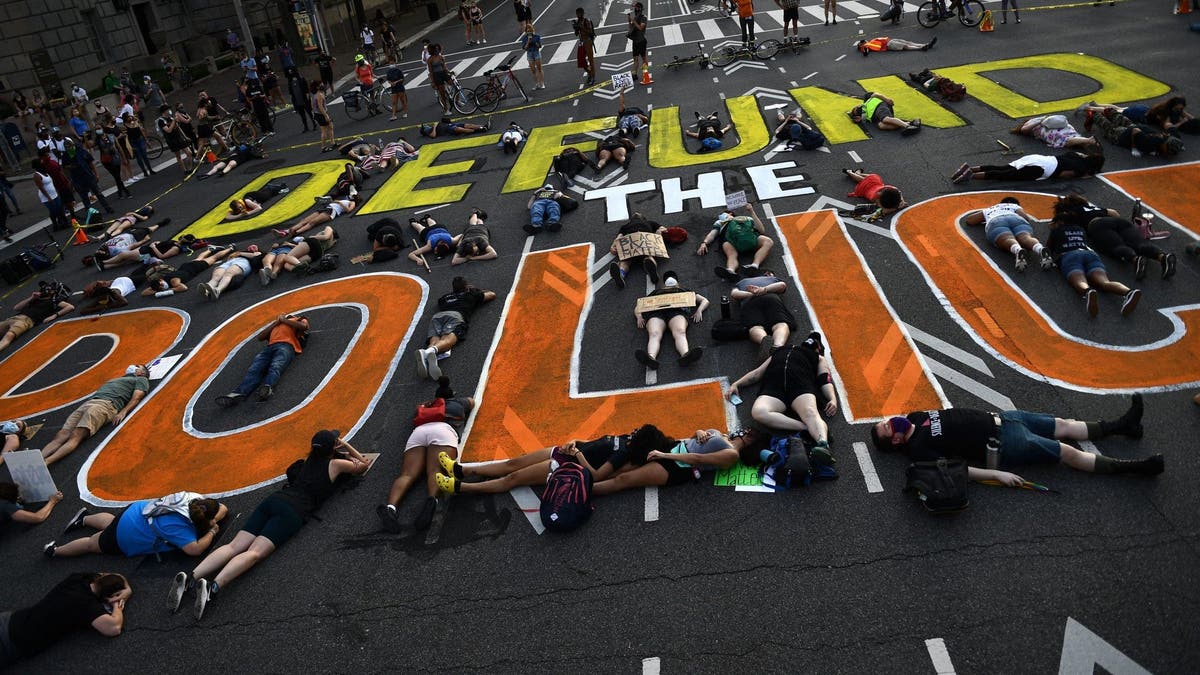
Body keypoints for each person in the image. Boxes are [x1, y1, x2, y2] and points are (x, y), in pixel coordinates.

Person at [171, 431, 370, 620]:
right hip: (293, 511)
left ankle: (192, 577)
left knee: (234, 546)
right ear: (333, 447)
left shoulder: (308, 461)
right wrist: (345, 445)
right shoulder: (335, 464)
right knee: (255, 552)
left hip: (274, 500)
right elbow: (363, 464)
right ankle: (213, 588)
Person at [870, 395, 1163, 480]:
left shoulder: (915, 418)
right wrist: (998, 476)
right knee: (1066, 452)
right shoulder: (918, 450)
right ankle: (1133, 467)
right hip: (1006, 443)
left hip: (1006, 417)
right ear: (895, 442)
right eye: (887, 427)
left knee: (1062, 423)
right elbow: (959, 469)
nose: (890, 421)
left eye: (884, 421)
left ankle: (1121, 426)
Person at [378, 383, 475, 532]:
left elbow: (416, 412)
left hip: (419, 432)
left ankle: (391, 508)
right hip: (443, 430)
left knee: (407, 474)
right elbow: (472, 402)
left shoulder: (424, 407)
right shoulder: (456, 403)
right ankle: (432, 500)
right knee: (435, 470)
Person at [727, 333, 837, 463]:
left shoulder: (818, 358)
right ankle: (807, 428)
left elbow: (825, 379)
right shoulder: (780, 351)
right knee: (759, 412)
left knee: (810, 412)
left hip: (800, 386)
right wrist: (737, 384)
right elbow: (758, 373)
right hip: (774, 387)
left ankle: (823, 445)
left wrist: (832, 398)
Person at [437, 429, 639, 496]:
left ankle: (461, 488)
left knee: (512, 478)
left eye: (638, 432)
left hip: (564, 466)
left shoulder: (623, 455)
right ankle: (462, 470)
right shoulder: (624, 438)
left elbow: (596, 476)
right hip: (563, 452)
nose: (634, 430)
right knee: (513, 463)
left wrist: (577, 454)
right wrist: (575, 442)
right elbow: (593, 443)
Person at [0, 572, 130, 666]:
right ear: (107, 597)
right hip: (12, 642)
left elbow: (112, 574)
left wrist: (126, 589)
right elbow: (114, 628)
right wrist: (117, 603)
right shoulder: (86, 606)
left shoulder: (78, 579)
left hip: (10, 619)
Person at [589, 426, 764, 495]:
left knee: (624, 479)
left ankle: (583, 490)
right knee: (622, 468)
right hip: (674, 447)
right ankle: (586, 478)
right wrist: (699, 431)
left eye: (748, 431)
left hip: (678, 466)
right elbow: (692, 440)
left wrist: (664, 456)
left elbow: (698, 458)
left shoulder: (732, 454)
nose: (743, 430)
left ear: (750, 440)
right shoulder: (724, 436)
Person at [43, 494, 227, 559]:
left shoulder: (193, 498)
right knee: (93, 543)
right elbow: (194, 550)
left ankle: (84, 519)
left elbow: (223, 509)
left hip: (136, 512)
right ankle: (55, 551)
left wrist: (212, 519)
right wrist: (211, 531)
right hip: (126, 535)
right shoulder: (180, 529)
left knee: (111, 523)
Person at [1046, 200, 1141, 317]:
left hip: (1070, 256)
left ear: (1059, 222)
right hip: (1090, 254)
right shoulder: (1080, 229)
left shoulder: (1057, 230)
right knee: (1105, 282)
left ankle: (1088, 291)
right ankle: (1128, 292)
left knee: (1079, 280)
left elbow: (1048, 249)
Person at [40, 365, 149, 467]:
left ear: (141, 373)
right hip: (89, 403)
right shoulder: (119, 379)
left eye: (137, 366)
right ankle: (38, 460)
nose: (133, 366)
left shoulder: (141, 380)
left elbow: (137, 397)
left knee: (76, 435)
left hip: (106, 405)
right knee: (62, 434)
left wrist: (123, 412)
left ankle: (47, 462)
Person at [1055, 193, 1176, 281]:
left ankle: (1135, 259)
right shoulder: (1093, 208)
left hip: (1097, 225)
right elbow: (1114, 213)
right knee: (1140, 244)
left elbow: (1062, 226)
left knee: (1117, 246)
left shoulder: (1071, 213)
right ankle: (1163, 257)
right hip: (1119, 222)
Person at [216, 314, 309, 405]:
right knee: (254, 369)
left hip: (287, 345)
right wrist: (276, 322)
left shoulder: (299, 319)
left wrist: (284, 320)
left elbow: (304, 326)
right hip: (269, 347)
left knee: (276, 366)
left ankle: (267, 387)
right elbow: (260, 337)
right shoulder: (276, 324)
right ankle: (239, 392)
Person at [415, 276, 497, 380]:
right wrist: (476, 290)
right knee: (448, 340)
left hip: (437, 316)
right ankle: (427, 352)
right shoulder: (471, 294)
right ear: (466, 286)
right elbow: (492, 294)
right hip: (455, 316)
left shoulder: (445, 297)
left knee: (435, 339)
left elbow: (439, 302)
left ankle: (430, 354)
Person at [635, 270, 709, 369]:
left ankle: (685, 355)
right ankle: (651, 358)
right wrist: (639, 316)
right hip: (657, 313)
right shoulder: (656, 292)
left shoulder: (685, 290)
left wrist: (699, 311)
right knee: (654, 334)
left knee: (680, 332)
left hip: (676, 312)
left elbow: (704, 301)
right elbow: (639, 305)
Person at [962, 197, 1054, 272]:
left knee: (1006, 238)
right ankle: (1040, 248)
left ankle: (1017, 250)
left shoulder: (990, 209)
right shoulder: (1014, 206)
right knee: (1025, 237)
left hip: (996, 221)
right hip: (1016, 219)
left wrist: (985, 219)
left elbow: (970, 220)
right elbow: (1025, 217)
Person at [698, 203, 773, 281]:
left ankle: (735, 269)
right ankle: (751, 266)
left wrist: (751, 211)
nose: (720, 216)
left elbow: (713, 234)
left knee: (731, 254)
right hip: (748, 240)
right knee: (768, 242)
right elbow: (761, 231)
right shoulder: (746, 219)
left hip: (733, 242)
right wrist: (705, 243)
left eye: (722, 214)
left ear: (729, 213)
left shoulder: (722, 222)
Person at [731, 270, 797, 357]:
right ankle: (778, 346)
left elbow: (734, 294)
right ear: (768, 274)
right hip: (770, 297)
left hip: (749, 302)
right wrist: (763, 289)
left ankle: (764, 340)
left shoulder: (741, 283)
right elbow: (782, 285)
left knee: (755, 327)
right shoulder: (772, 279)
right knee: (780, 324)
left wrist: (751, 294)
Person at [951, 149, 1106, 183]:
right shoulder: (1080, 169)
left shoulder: (1075, 155)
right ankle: (970, 176)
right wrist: (1082, 176)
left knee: (1003, 167)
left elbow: (1074, 155)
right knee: (1005, 175)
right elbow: (1062, 175)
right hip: (1041, 169)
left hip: (1038, 158)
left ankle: (970, 168)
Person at [0, 284, 75, 353]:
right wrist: (31, 298)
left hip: (26, 320)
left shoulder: (53, 301)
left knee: (9, 336)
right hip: (13, 318)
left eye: (49, 289)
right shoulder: (35, 299)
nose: (44, 290)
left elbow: (70, 307)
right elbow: (16, 308)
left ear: (53, 292)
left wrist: (54, 315)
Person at [1090, 109, 1185, 158]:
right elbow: (1135, 131)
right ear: (1165, 144)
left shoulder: (1174, 138)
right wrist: (1134, 147)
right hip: (1124, 135)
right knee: (1109, 128)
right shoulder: (1149, 144)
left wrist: (1180, 146)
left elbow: (1169, 125)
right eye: (1168, 151)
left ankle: (1110, 111)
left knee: (1124, 120)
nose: (1169, 154)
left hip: (1140, 128)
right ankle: (1093, 114)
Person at [141, 246, 235, 296]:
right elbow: (144, 293)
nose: (162, 287)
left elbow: (183, 287)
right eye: (160, 288)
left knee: (213, 258)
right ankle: (210, 249)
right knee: (199, 257)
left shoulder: (173, 281)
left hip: (195, 268)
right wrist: (157, 290)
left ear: (160, 281)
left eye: (161, 286)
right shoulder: (161, 282)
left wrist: (167, 290)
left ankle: (230, 248)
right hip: (185, 266)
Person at [608, 212, 667, 289]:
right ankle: (621, 275)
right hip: (642, 244)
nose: (636, 213)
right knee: (648, 257)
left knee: (625, 261)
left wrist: (613, 246)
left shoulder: (627, 226)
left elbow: (618, 238)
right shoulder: (649, 223)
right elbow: (618, 238)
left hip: (633, 246)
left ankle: (622, 273)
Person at [61, 138, 114, 216]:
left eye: (69, 146)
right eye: (66, 147)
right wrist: (70, 168)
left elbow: (90, 163)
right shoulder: (65, 155)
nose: (68, 148)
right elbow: (64, 167)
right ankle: (91, 213)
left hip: (88, 176)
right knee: (84, 197)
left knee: (98, 193)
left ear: (73, 145)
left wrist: (96, 174)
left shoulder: (81, 151)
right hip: (77, 179)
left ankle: (108, 208)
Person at [197, 247, 266, 301]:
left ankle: (217, 290)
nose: (252, 247)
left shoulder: (258, 253)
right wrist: (235, 255)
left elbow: (254, 256)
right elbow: (230, 258)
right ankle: (207, 291)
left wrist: (239, 253)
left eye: (254, 247)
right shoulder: (239, 253)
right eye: (250, 246)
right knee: (216, 276)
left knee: (229, 273)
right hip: (230, 262)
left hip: (244, 262)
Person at [273, 197, 355, 240]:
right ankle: (288, 231)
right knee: (304, 220)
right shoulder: (345, 199)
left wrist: (339, 202)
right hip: (326, 207)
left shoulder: (352, 202)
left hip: (332, 211)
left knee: (312, 222)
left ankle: (296, 232)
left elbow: (348, 210)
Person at [1009, 114, 1099, 150]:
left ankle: (1089, 141)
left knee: (1065, 140)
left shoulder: (1033, 122)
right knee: (1072, 136)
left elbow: (1024, 130)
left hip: (1049, 132)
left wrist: (1040, 121)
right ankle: (1089, 144)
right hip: (1063, 127)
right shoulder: (1044, 118)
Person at [849, 92, 922, 135]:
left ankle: (906, 126)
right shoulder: (865, 117)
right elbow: (861, 119)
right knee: (881, 125)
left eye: (857, 108)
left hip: (879, 106)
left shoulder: (867, 100)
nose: (858, 109)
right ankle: (911, 123)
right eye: (857, 112)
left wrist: (886, 99)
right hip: (877, 115)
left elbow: (876, 94)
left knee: (884, 119)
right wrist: (858, 119)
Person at [31, 159, 68, 230]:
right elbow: (41, 188)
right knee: (54, 211)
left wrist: (56, 191)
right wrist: (48, 197)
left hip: (54, 194)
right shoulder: (37, 175)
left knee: (60, 209)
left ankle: (62, 222)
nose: (42, 163)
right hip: (47, 197)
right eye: (41, 162)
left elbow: (51, 183)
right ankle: (56, 225)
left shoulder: (45, 172)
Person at [225, 181, 289, 221]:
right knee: (264, 193)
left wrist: (248, 213)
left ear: (240, 203)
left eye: (240, 207)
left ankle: (276, 187)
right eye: (238, 209)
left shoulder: (247, 201)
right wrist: (239, 215)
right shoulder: (234, 207)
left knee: (267, 195)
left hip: (259, 196)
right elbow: (227, 217)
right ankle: (268, 187)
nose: (240, 209)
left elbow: (259, 208)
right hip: (253, 196)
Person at [426, 43, 453, 113]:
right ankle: (446, 108)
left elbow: (444, 67)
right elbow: (431, 71)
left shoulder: (441, 57)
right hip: (436, 75)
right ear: (433, 50)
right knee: (442, 93)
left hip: (443, 73)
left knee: (453, 83)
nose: (438, 51)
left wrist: (449, 72)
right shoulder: (430, 60)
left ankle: (456, 99)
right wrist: (432, 82)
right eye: (436, 50)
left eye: (438, 49)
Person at [311, 81, 335, 152]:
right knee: (324, 131)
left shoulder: (314, 94)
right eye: (321, 84)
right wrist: (326, 115)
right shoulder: (319, 95)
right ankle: (323, 147)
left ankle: (332, 143)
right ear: (317, 87)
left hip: (318, 114)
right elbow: (320, 106)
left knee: (330, 126)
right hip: (321, 114)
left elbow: (312, 105)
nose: (322, 85)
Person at [574, 7, 596, 85]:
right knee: (581, 61)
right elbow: (576, 34)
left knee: (591, 60)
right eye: (577, 14)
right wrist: (576, 28)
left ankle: (593, 77)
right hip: (581, 42)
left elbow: (590, 32)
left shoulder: (587, 21)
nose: (578, 15)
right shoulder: (577, 21)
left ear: (582, 14)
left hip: (588, 41)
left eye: (579, 13)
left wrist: (581, 27)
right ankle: (589, 73)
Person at [520, 24, 545, 90]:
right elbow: (524, 48)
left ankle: (542, 83)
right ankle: (537, 84)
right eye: (527, 31)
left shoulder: (537, 36)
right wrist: (528, 41)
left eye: (530, 30)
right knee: (533, 70)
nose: (529, 32)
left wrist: (534, 42)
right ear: (526, 31)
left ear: (532, 30)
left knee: (539, 68)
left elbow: (540, 46)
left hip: (536, 52)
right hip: (529, 54)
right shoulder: (524, 38)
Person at [419, 116, 490, 138]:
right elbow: (433, 136)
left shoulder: (433, 127)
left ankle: (483, 126)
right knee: (460, 129)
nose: (426, 126)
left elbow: (448, 121)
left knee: (468, 125)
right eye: (425, 127)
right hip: (448, 129)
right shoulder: (429, 131)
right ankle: (480, 130)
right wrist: (434, 126)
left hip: (451, 125)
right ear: (424, 130)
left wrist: (445, 120)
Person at [628, 3, 648, 78]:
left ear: (640, 9)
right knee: (635, 58)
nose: (635, 10)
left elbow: (641, 28)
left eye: (636, 8)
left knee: (643, 58)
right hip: (635, 41)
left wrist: (634, 21)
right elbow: (631, 28)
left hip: (641, 41)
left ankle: (645, 73)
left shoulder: (643, 17)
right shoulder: (636, 18)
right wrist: (629, 21)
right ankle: (635, 74)